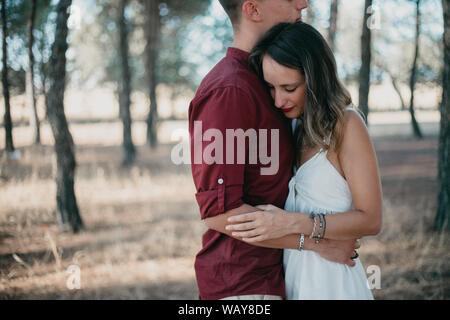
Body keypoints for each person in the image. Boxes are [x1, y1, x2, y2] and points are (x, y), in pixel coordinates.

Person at [189, 0, 360, 300]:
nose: (303, 3)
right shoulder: (230, 90)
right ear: (253, 10)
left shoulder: (271, 82)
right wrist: (317, 242)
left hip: (282, 277)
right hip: (242, 287)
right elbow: (219, 212)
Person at [225, 22, 383, 299]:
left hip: (332, 280)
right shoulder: (293, 127)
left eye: (289, 87)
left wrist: (293, 223)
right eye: (270, 88)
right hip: (292, 274)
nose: (277, 100)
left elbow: (371, 219)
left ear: (316, 79)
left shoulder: (347, 125)